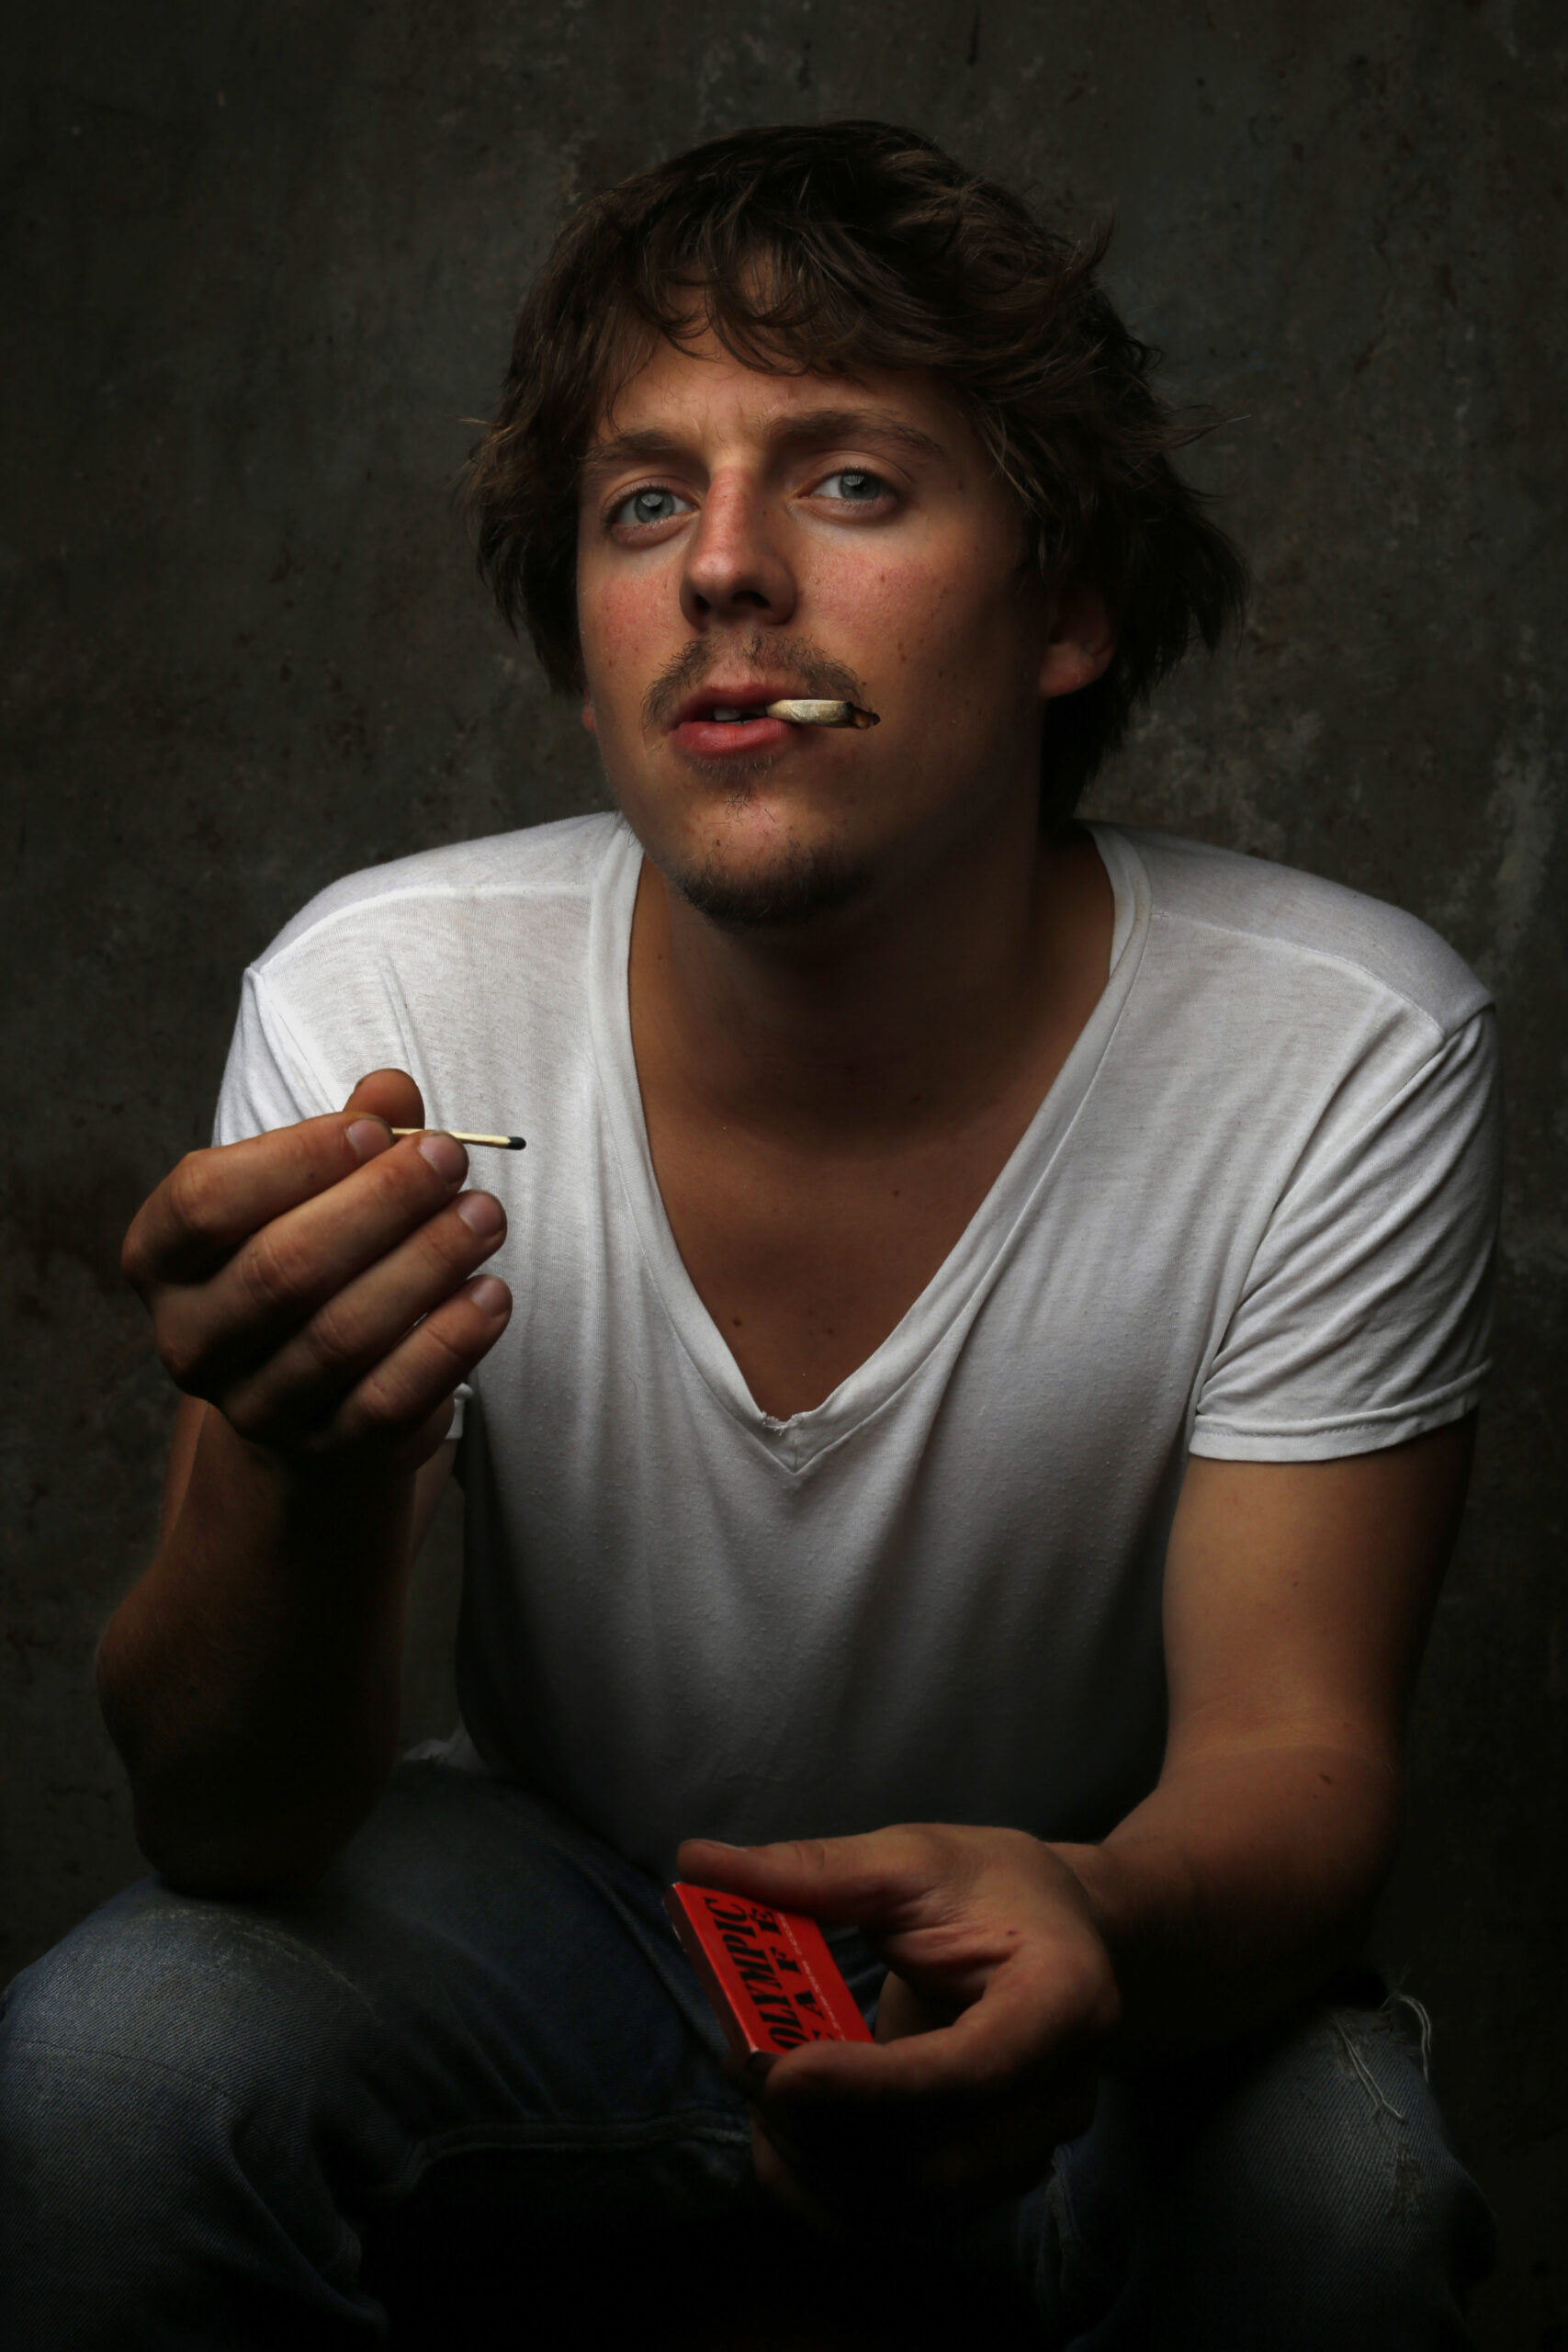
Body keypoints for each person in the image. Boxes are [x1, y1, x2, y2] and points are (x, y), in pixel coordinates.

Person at [0, 122, 1500, 2346]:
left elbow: (1294, 1759)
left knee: (1342, 2205)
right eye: (640, 503)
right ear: (582, 637)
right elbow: (224, 1819)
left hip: (1085, 1907)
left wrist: (1093, 1924)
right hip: (559, 1893)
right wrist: (293, 1471)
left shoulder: (1332, 1044)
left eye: (851, 481)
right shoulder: (385, 999)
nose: (721, 566)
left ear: (1064, 607)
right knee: (104, 2077)